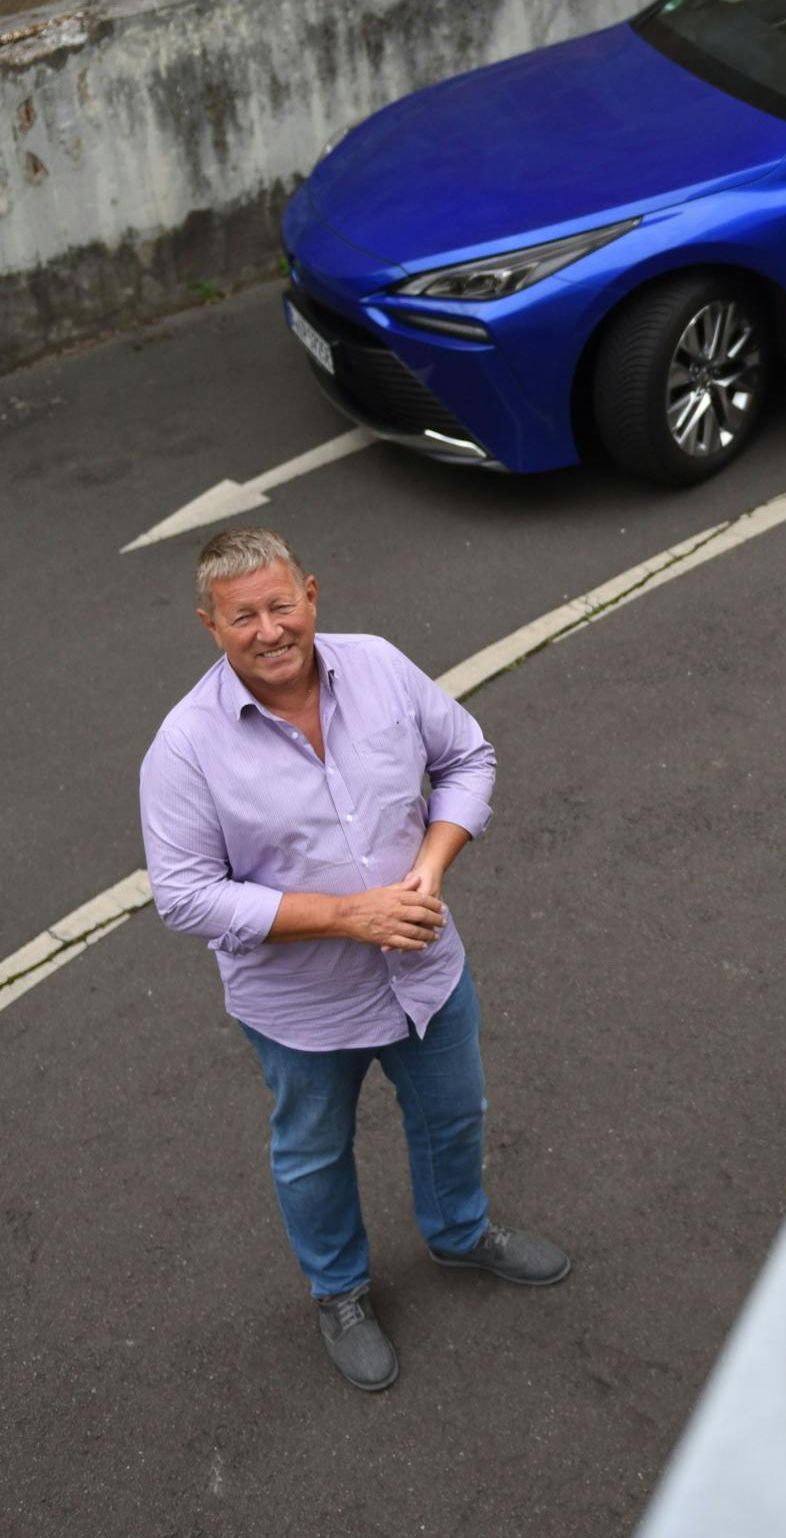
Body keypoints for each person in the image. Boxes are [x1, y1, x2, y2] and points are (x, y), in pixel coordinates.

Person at [138, 525, 568, 1391]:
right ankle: (338, 1291)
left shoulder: (377, 664)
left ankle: (460, 1233)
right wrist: (346, 914)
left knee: (453, 1115)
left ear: (312, 596)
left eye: (280, 605)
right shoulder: (183, 748)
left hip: (426, 972)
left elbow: (466, 758)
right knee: (313, 1151)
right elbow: (183, 894)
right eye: (242, 616)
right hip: (301, 1010)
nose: (268, 630)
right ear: (209, 626)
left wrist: (429, 867)